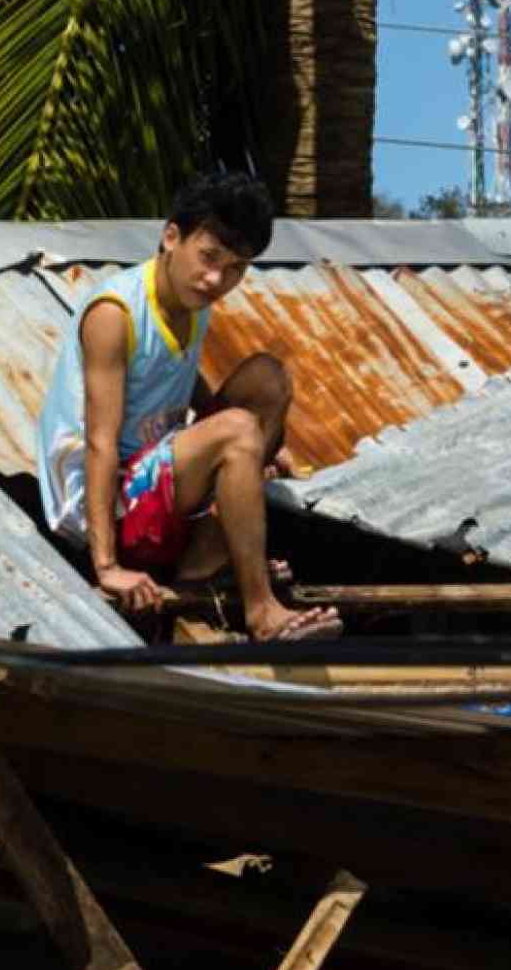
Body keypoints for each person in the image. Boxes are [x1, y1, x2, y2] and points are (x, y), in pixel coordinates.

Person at [34, 173, 340, 641]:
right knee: (237, 429)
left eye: (236, 268)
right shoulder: (114, 315)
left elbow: (170, 368)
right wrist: (107, 566)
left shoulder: (194, 300)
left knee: (266, 379)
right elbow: (99, 443)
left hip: (156, 481)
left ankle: (211, 562)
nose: (218, 278)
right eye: (209, 256)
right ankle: (261, 609)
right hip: (105, 504)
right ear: (171, 236)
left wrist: (264, 446)